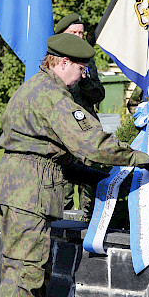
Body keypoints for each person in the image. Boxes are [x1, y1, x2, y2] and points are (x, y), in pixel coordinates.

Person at [0, 33, 149, 297]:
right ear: (62, 63)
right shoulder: (52, 96)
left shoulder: (35, 87)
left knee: (35, 270)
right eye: (81, 68)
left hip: (23, 184)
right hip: (28, 191)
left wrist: (89, 175)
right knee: (24, 273)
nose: (84, 75)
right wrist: (142, 159)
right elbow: (91, 143)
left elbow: (52, 149)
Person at [56, 13, 106, 221]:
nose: (78, 36)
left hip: (86, 126)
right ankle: (61, 219)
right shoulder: (54, 59)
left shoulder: (88, 59)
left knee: (88, 176)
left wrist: (85, 81)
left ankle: (89, 219)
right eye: (73, 32)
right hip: (62, 127)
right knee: (62, 179)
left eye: (81, 33)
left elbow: (98, 95)